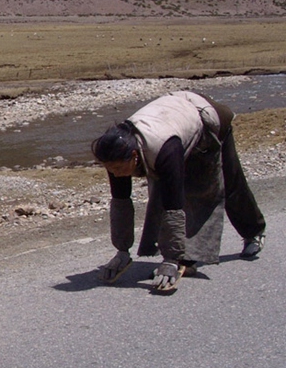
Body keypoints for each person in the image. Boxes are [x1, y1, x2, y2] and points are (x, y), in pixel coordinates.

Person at [91, 91, 266, 293]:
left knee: (223, 183)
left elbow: (173, 206)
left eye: (119, 169)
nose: (115, 173)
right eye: (110, 169)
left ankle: (254, 233)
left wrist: (170, 260)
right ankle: (186, 256)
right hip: (173, 119)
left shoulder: (165, 149)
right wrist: (122, 251)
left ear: (134, 156)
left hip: (207, 120)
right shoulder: (114, 153)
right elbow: (121, 201)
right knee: (159, 192)